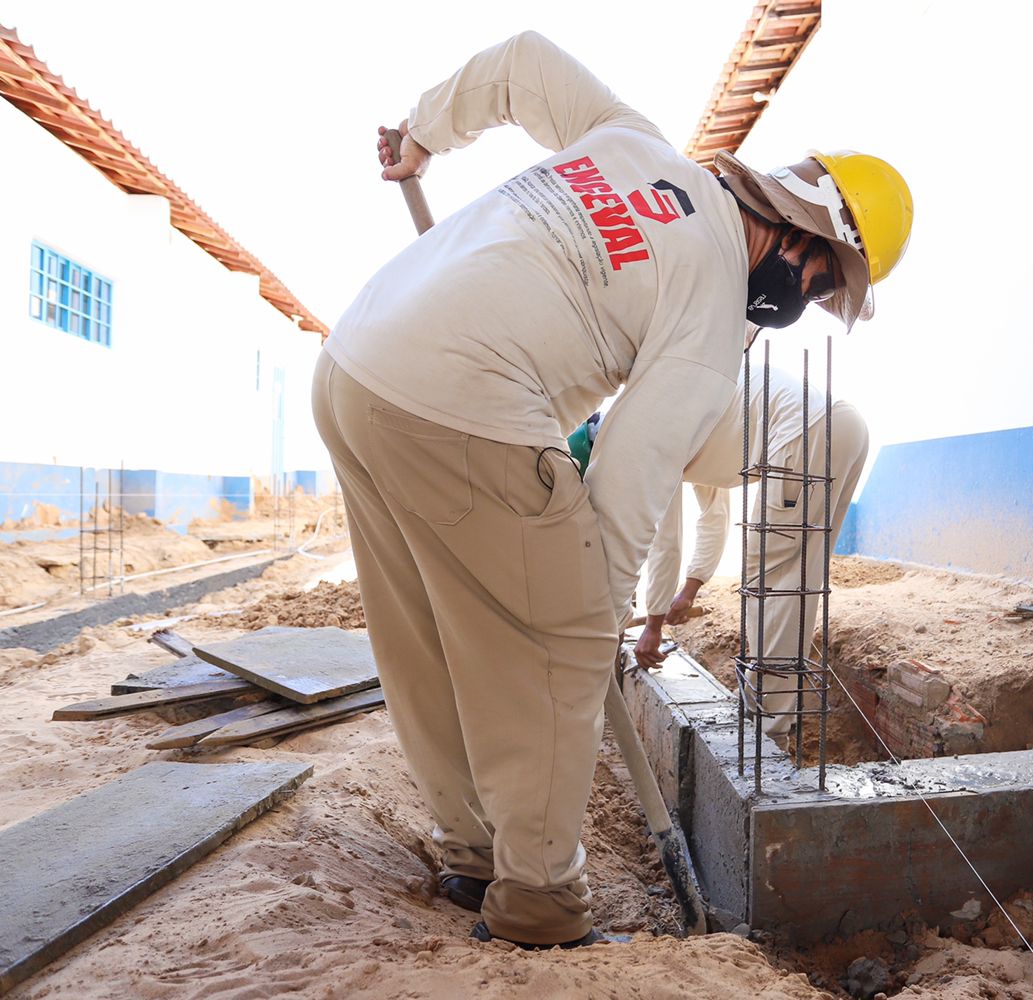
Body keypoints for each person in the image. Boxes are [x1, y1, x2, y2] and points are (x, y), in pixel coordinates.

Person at [309, 30, 911, 949]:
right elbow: (628, 492)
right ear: (803, 238)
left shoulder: (634, 142)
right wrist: (593, 631)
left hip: (356, 367)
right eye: (821, 284)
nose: (805, 306)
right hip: (464, 400)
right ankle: (541, 905)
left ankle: (473, 852)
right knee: (556, 643)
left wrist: (425, 134)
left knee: (424, 625)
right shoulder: (712, 311)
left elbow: (520, 62)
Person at [633, 363, 868, 739]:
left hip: (804, 431)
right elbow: (715, 516)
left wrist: (653, 625)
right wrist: (688, 591)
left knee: (772, 579)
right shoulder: (686, 400)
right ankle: (771, 717)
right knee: (798, 580)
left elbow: (666, 540)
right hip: (845, 425)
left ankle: (769, 733)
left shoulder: (644, 431)